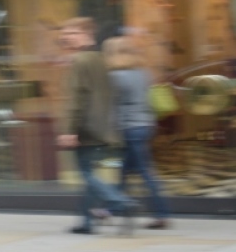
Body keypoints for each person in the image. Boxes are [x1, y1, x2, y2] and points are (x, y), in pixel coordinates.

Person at [56, 17, 133, 234]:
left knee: (87, 174)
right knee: (89, 174)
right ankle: (87, 223)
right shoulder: (100, 60)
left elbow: (76, 99)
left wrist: (70, 130)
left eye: (71, 32)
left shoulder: (80, 61)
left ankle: (120, 201)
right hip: (102, 127)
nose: (65, 36)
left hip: (86, 129)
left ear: (85, 35)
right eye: (64, 32)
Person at [104, 36, 172, 230]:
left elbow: (113, 108)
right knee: (125, 171)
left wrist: (109, 132)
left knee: (145, 172)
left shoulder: (115, 77)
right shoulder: (143, 73)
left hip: (129, 128)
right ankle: (110, 209)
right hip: (146, 126)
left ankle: (162, 214)